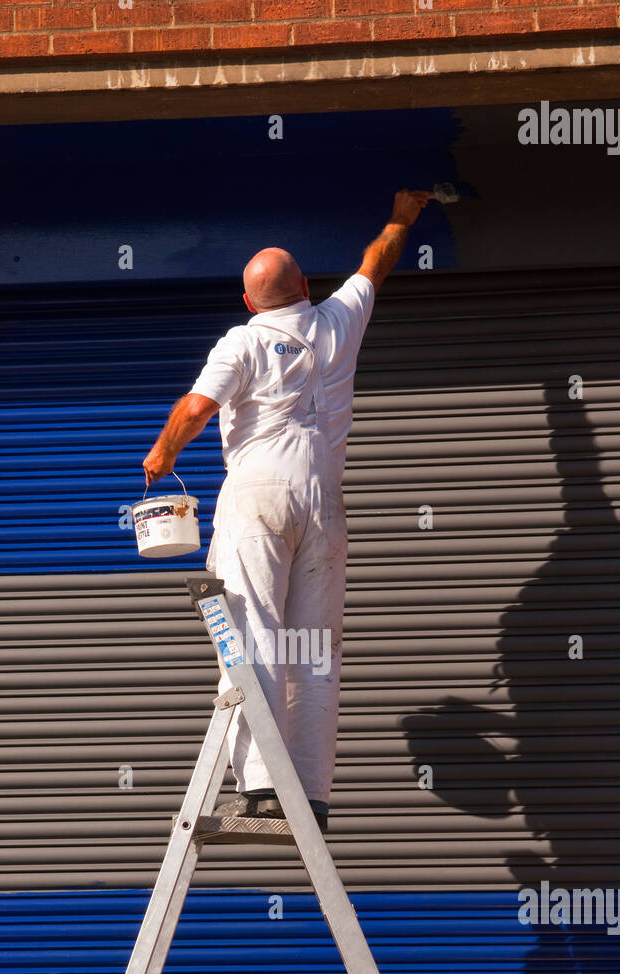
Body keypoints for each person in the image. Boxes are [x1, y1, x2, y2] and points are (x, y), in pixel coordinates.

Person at [143, 189, 433, 831]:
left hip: (260, 497)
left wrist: (162, 454)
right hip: (324, 501)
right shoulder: (338, 321)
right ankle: (311, 791)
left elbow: (196, 409)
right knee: (315, 646)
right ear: (305, 285)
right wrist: (402, 216)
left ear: (249, 303)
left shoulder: (242, 341)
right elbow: (376, 263)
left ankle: (257, 788)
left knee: (252, 636)